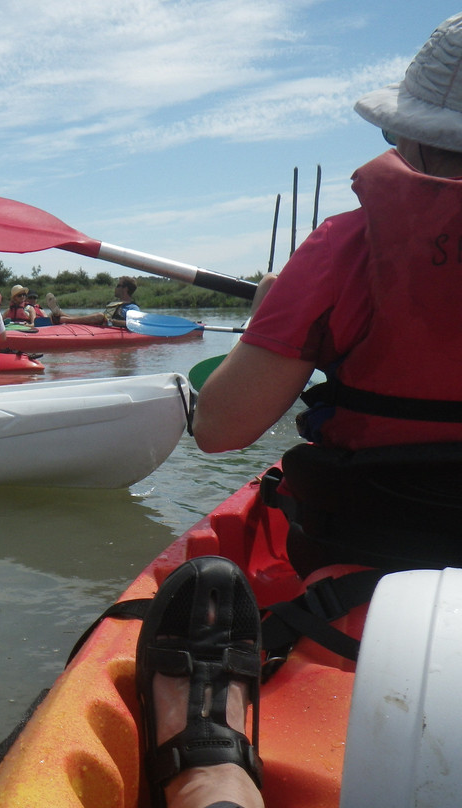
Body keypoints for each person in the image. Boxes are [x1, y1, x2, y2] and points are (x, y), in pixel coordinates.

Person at [141, 15, 462, 808]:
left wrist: (287, 315)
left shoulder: (344, 249)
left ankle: (215, 779)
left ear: (408, 137)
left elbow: (220, 430)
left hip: (370, 562)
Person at [45, 276, 141, 327]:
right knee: (96, 316)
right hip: (102, 325)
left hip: (110, 326)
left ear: (125, 289)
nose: (115, 288)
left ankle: (63, 318)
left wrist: (113, 321)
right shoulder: (116, 304)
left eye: (118, 286)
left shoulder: (133, 308)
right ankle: (61, 314)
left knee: (100, 316)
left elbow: (134, 323)